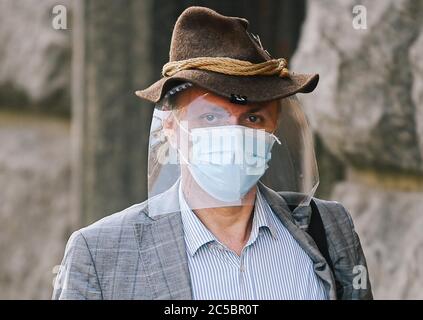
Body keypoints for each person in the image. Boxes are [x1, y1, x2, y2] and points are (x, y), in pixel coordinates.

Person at [53, 6, 372, 300]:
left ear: (273, 127)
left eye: (252, 118)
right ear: (171, 128)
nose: (234, 133)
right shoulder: (99, 254)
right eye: (210, 117)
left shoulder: (328, 228)